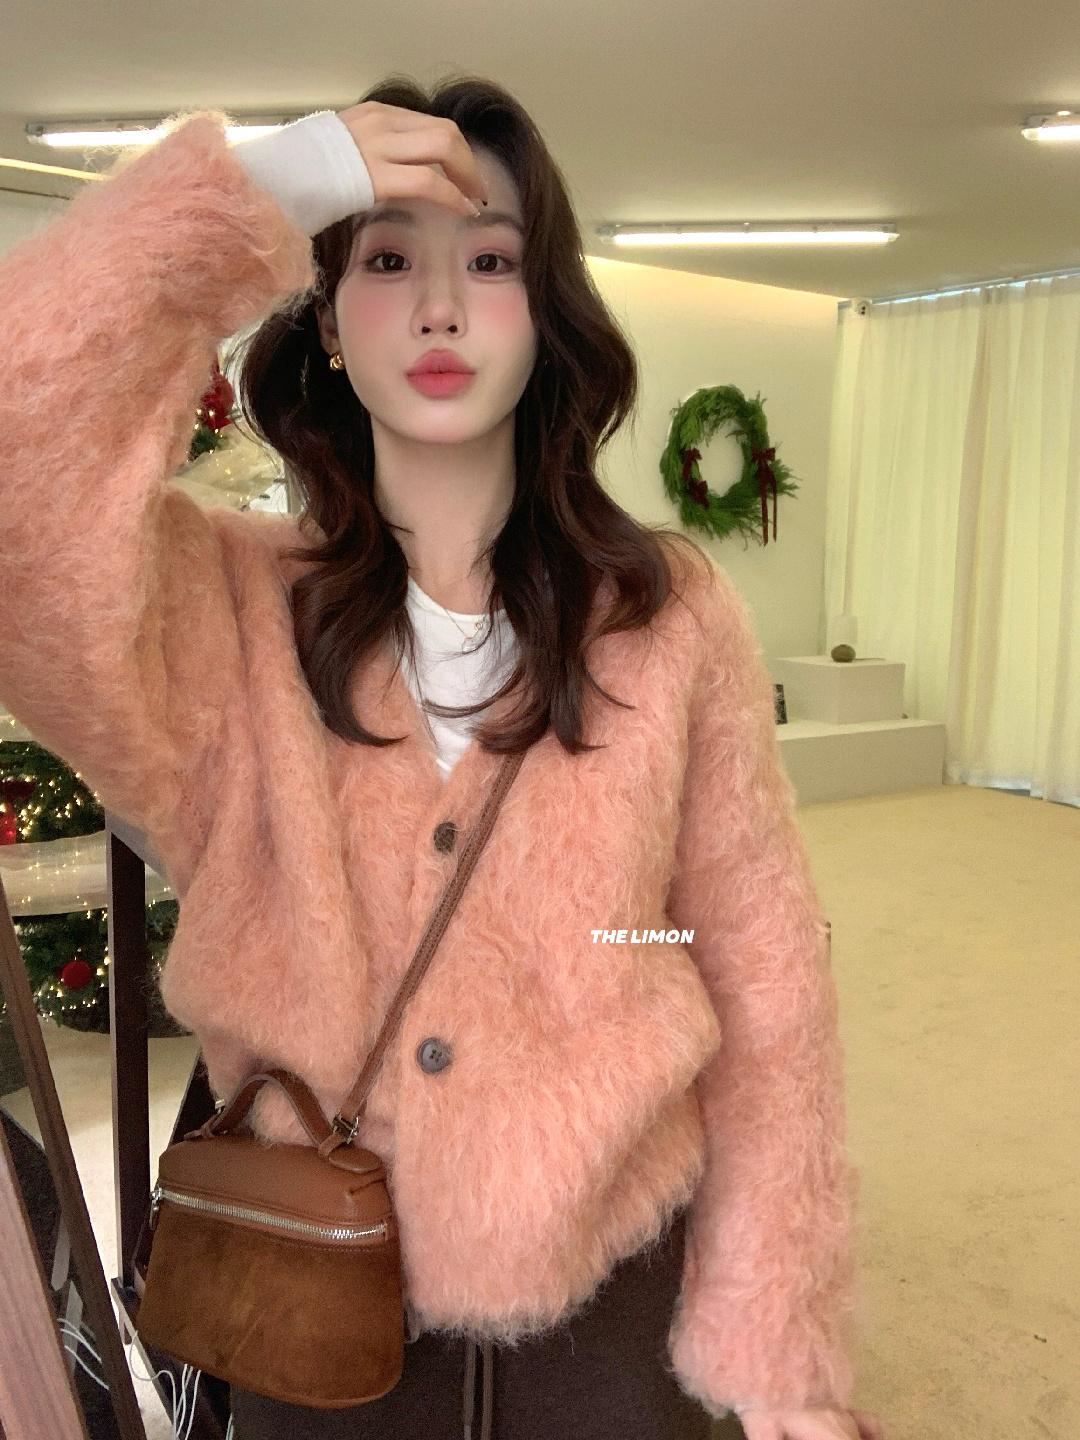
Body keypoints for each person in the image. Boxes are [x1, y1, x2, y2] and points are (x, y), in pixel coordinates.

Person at [0, 73, 886, 1440]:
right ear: (325, 319)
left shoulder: (666, 617)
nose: (437, 307)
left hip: (615, 1322)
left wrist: (778, 1338)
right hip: (306, 1303)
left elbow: (758, 971)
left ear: (547, 313)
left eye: (489, 262)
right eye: (384, 260)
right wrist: (252, 196)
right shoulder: (219, 616)